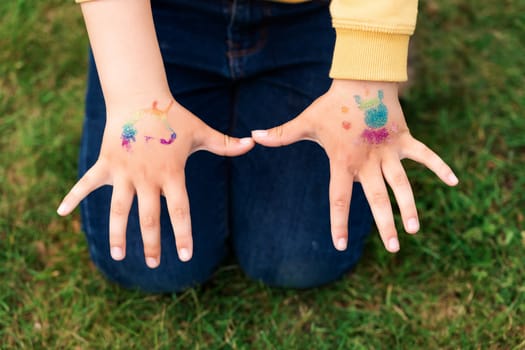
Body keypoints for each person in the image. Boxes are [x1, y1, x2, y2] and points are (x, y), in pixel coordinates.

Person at [57, 0, 459, 293]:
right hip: (159, 16)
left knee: (297, 260)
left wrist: (369, 67)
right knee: (148, 266)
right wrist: (134, 94)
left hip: (316, 16)